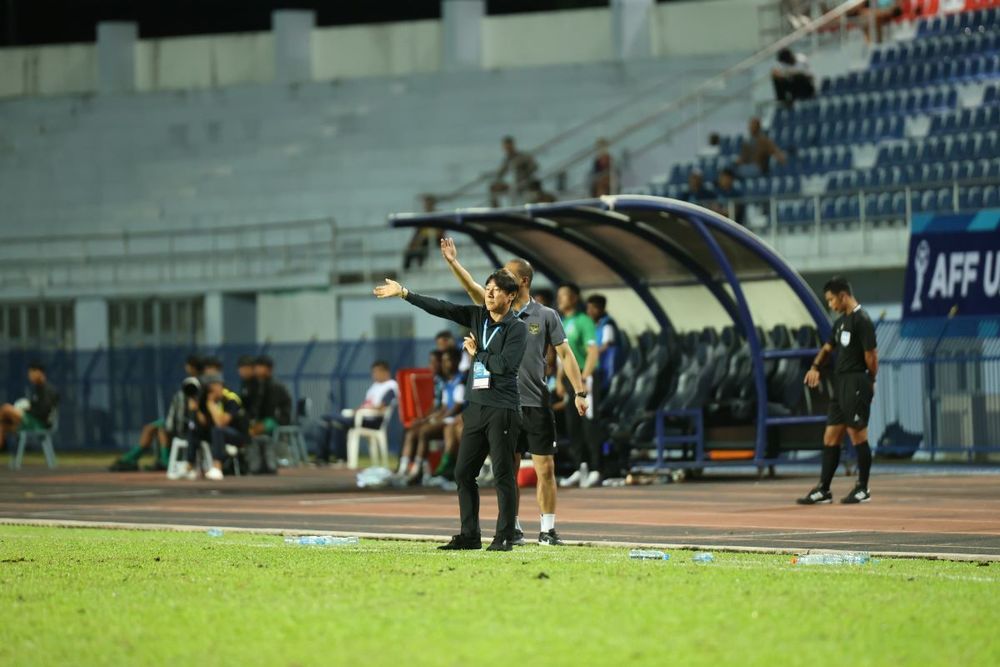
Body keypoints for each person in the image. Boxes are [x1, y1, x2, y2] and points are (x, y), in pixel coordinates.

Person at [440, 239, 589, 546]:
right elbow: (469, 286)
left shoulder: (546, 315)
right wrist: (453, 262)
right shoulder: (493, 308)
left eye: (505, 276)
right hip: (504, 405)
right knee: (508, 470)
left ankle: (547, 529)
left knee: (545, 467)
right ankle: (514, 528)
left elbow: (565, 354)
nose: (495, 283)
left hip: (535, 402)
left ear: (521, 281)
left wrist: (580, 391)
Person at [374, 269, 527, 552]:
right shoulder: (477, 316)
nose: (490, 293)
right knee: (463, 472)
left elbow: (505, 365)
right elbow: (443, 308)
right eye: (488, 287)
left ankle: (505, 535)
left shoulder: (517, 328)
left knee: (503, 474)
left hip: (502, 408)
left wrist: (476, 353)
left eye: (496, 290)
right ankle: (470, 535)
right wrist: (405, 293)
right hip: (476, 407)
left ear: (511, 296)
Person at [798, 276, 878, 505]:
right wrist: (815, 367)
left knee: (857, 433)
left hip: (856, 382)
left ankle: (863, 488)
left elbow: (872, 356)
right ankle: (823, 489)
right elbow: (827, 348)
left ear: (843, 296)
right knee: (831, 435)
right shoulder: (840, 323)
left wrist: (870, 381)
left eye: (832, 300)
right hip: (840, 383)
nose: (830, 305)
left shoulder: (862, 320)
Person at [555, 284, 602, 489]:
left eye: (564, 296)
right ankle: (579, 467)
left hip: (584, 377)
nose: (560, 300)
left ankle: (595, 469)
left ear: (574, 298)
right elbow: (563, 356)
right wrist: (559, 379)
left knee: (589, 424)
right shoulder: (562, 322)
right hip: (569, 378)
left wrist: (584, 378)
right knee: (572, 423)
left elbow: (593, 351)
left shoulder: (584, 321)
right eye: (559, 296)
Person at [401, 349, 466, 484]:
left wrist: (439, 419)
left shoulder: (461, 380)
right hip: (448, 418)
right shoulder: (447, 382)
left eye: (446, 361)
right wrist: (429, 419)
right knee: (413, 431)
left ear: (456, 362)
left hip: (456, 419)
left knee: (426, 431)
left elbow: (457, 406)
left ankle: (428, 470)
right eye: (442, 361)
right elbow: (443, 407)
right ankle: (406, 469)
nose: (443, 364)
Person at [316, 361, 398, 466]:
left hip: (373, 420)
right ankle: (335, 458)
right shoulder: (375, 386)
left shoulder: (391, 386)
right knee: (335, 424)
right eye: (373, 372)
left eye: (376, 372)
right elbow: (366, 403)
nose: (374, 375)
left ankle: (325, 457)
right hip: (362, 416)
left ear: (385, 372)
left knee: (327, 417)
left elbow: (383, 406)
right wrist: (356, 410)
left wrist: (365, 410)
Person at [172, 374, 249, 481]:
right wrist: (196, 409)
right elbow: (203, 423)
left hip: (237, 434)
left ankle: (217, 468)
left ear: (220, 385)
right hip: (216, 433)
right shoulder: (204, 398)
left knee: (217, 430)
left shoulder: (231, 398)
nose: (211, 391)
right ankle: (190, 467)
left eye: (214, 387)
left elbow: (221, 423)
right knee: (194, 429)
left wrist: (211, 403)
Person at [247, 355, 293, 474]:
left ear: (268, 369)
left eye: (259, 367)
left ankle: (265, 462)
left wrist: (262, 424)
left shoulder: (275, 386)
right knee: (249, 428)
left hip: (277, 419)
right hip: (262, 420)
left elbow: (275, 410)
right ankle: (255, 463)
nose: (256, 369)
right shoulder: (255, 385)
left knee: (258, 429)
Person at [0, 362, 60, 451]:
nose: (30, 376)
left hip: (40, 423)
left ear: (39, 372)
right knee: (2, 426)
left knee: (6, 408)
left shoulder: (48, 390)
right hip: (32, 420)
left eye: (32, 373)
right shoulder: (37, 389)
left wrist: (26, 411)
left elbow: (43, 412)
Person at [490, 136, 538, 207]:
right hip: (514, 185)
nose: (507, 149)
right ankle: (496, 211)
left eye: (509, 146)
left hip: (525, 183)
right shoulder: (507, 159)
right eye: (506, 147)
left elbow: (534, 167)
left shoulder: (523, 156)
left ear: (513, 145)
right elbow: (501, 173)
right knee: (493, 187)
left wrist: (524, 171)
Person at [586, 294, 622, 389]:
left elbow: (606, 346)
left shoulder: (607, 324)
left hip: (606, 367)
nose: (589, 312)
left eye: (593, 308)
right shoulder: (596, 325)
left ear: (601, 309)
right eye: (588, 308)